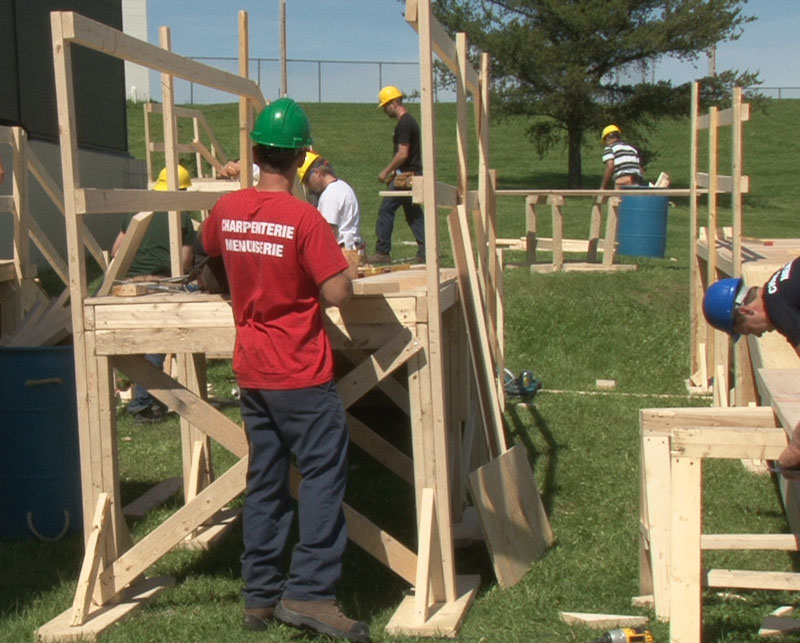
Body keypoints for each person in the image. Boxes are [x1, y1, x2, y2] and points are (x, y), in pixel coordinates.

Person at [200, 97, 369, 642]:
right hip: (300, 368)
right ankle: (312, 594)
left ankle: (260, 596)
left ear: (254, 154)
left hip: (253, 369)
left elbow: (203, 257)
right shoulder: (305, 218)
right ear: (299, 159)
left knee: (267, 480)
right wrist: (344, 269)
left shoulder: (227, 209)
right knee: (322, 475)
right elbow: (338, 292)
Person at [111, 164, 196, 423]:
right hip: (159, 285)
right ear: (181, 190)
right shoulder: (181, 217)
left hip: (123, 285)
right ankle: (145, 404)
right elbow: (184, 263)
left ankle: (132, 396)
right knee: (157, 340)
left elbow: (116, 251)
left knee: (130, 345)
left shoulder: (136, 211)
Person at [703, 258, 800, 474]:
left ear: (746, 311)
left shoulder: (779, 308)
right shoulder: (779, 285)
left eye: (747, 330)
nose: (757, 334)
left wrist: (795, 448)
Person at [368, 85, 425, 265]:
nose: (385, 110)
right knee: (413, 214)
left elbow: (403, 153)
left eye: (385, 106)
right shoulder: (409, 122)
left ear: (394, 103)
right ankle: (426, 252)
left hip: (406, 177)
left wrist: (386, 171)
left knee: (386, 209)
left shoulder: (404, 124)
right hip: (411, 174)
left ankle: (382, 252)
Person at [298, 151, 364, 253]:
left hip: (341, 253)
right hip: (352, 249)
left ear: (318, 173)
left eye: (307, 180)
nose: (307, 185)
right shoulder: (343, 186)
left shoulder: (330, 195)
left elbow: (329, 233)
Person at [599, 124, 645, 190]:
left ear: (607, 139)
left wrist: (603, 186)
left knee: (617, 200)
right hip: (636, 181)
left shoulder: (610, 148)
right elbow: (640, 169)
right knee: (631, 200)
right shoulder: (632, 149)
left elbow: (610, 166)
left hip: (622, 180)